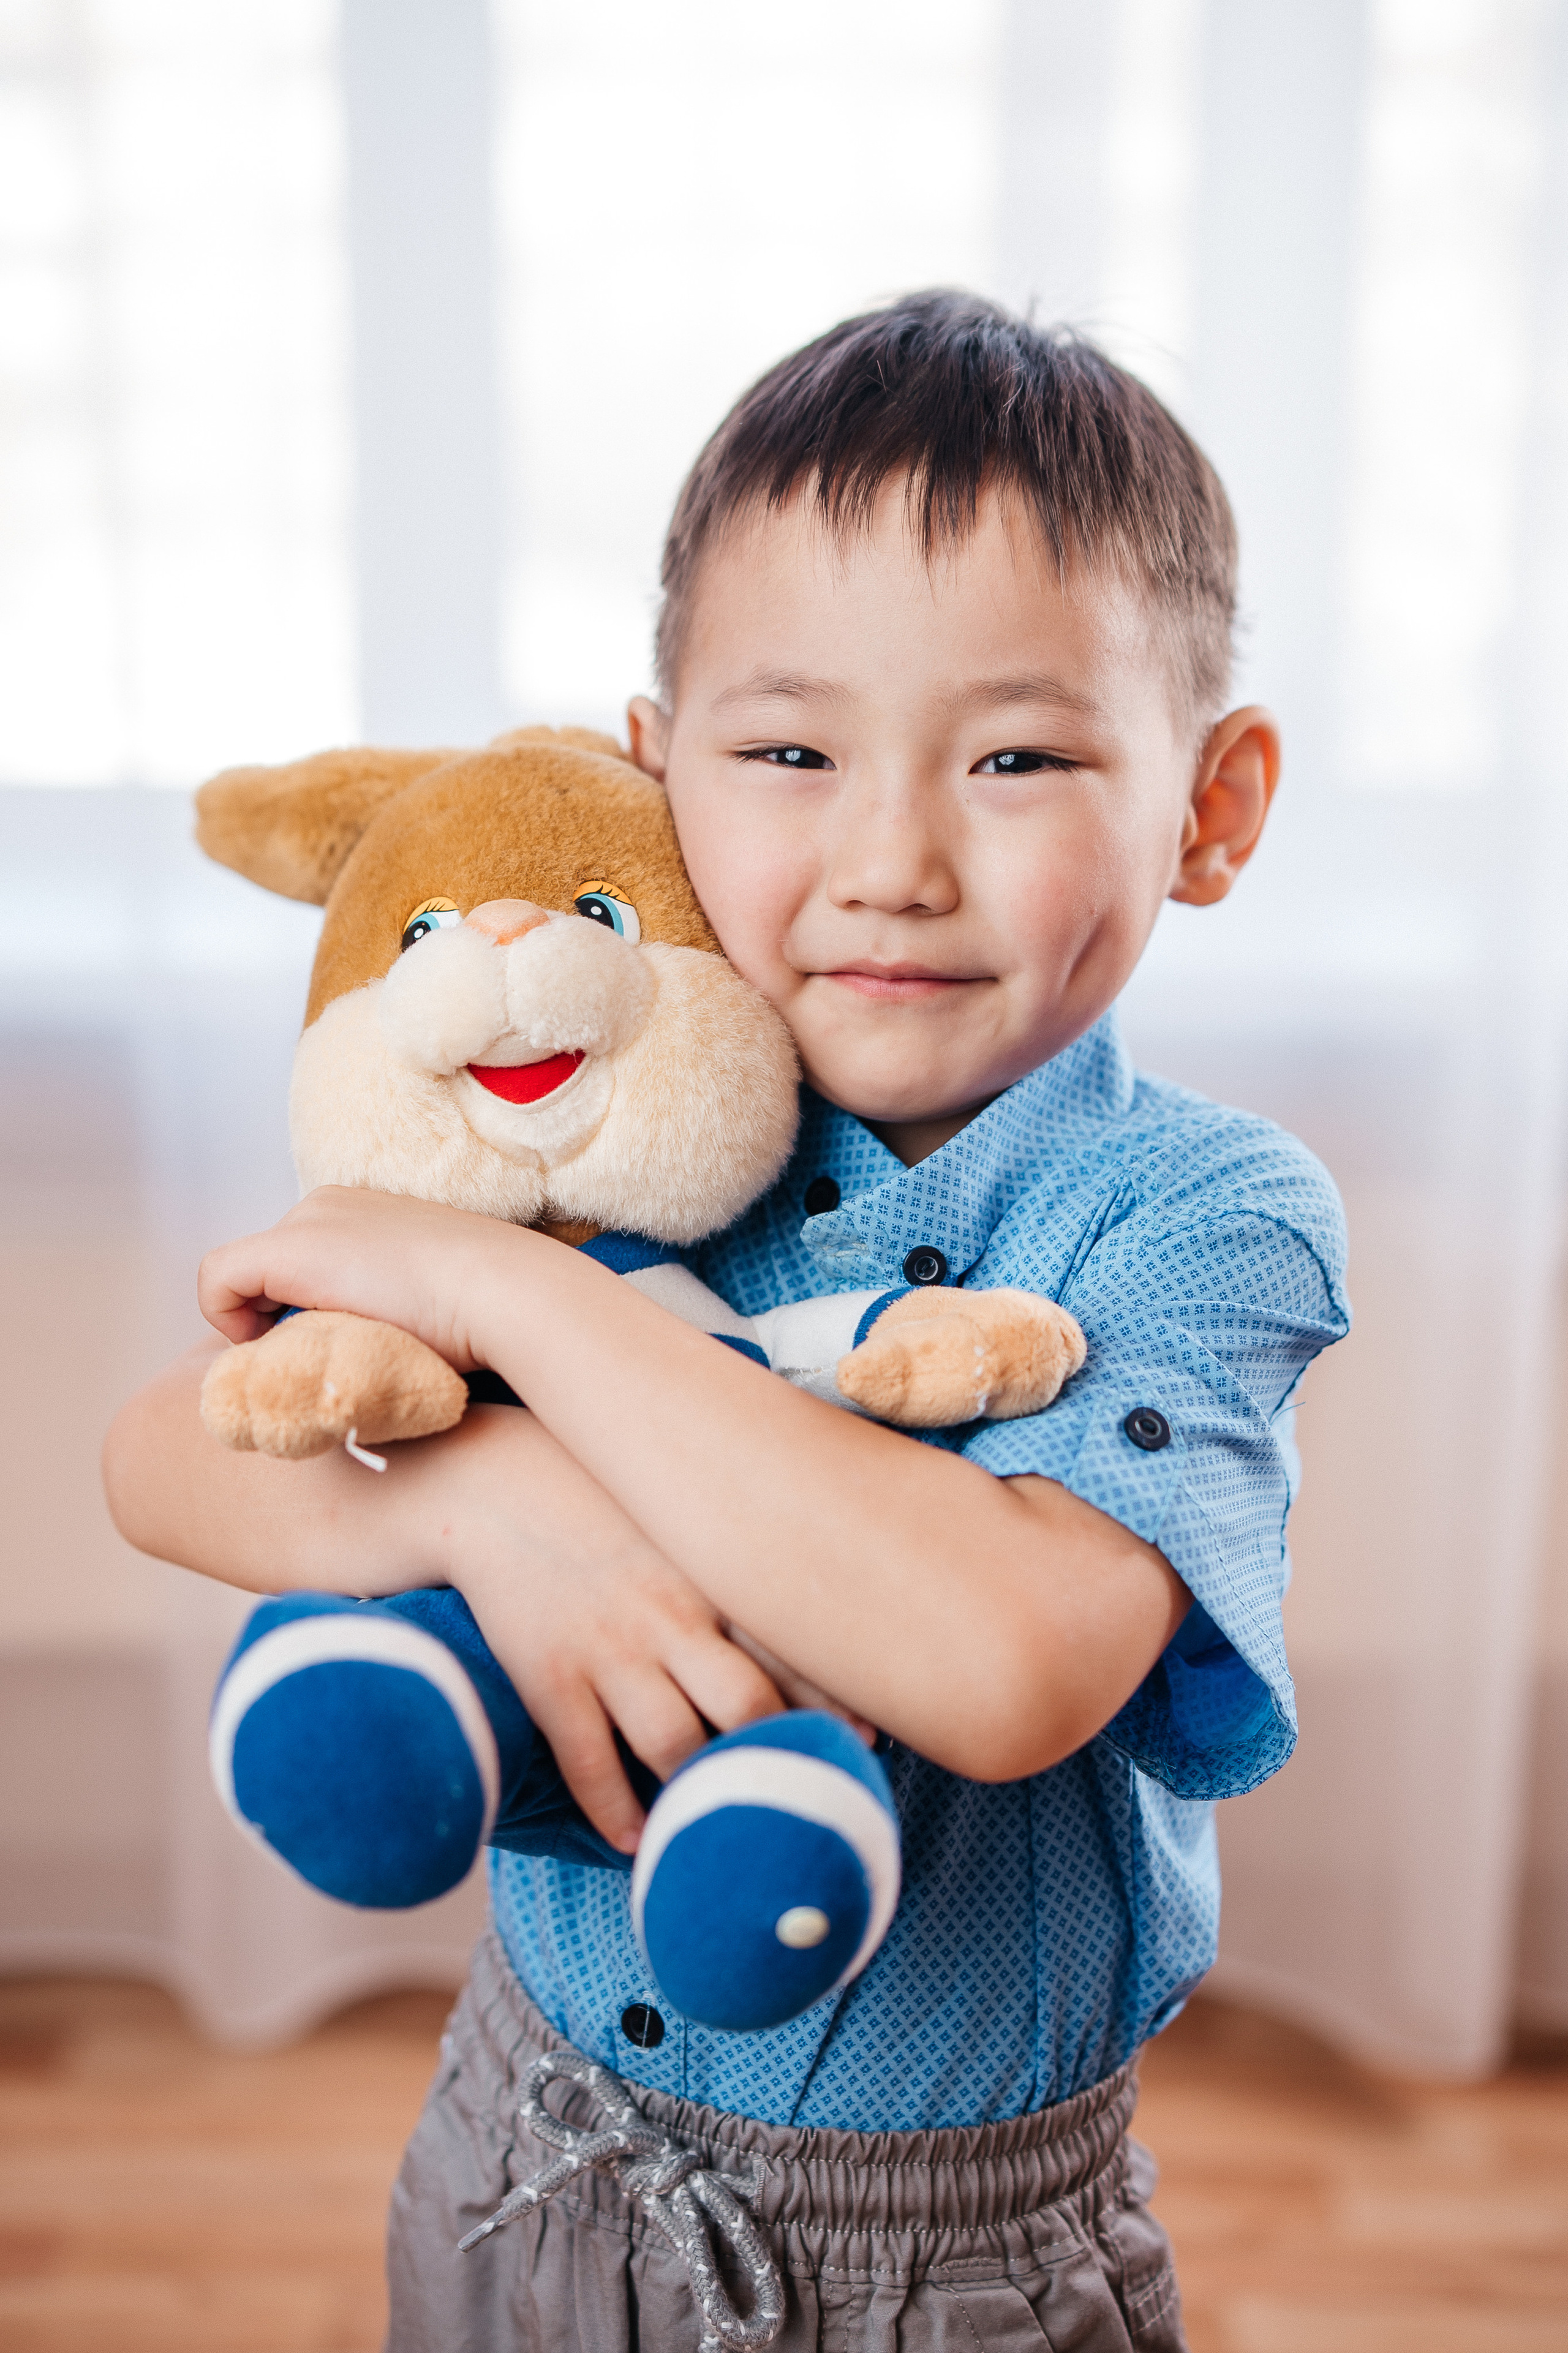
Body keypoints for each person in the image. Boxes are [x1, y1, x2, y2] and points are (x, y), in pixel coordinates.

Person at [104, 291, 1349, 2352]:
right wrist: (496, 1504)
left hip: (942, 2267)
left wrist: (506, 1298)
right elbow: (161, 1452)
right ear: (656, 769)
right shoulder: (605, 1108)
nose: (892, 861)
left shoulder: (1202, 1215)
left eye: (1019, 758)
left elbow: (1008, 1660)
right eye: (789, 754)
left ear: (1210, 808)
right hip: (520, 2149)